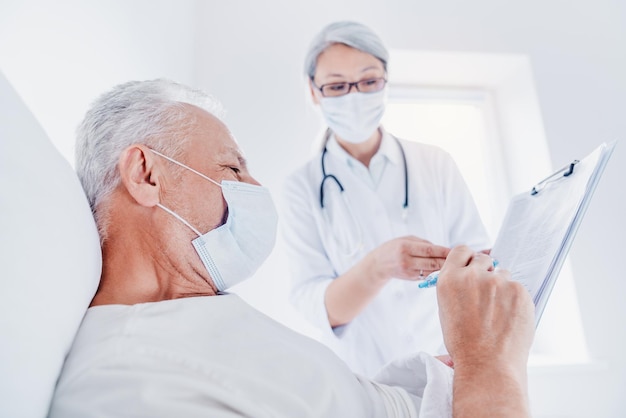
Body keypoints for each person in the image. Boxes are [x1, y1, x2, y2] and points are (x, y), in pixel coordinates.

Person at [48, 79, 534, 418]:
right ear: (147, 175)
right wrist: (489, 362)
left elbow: (332, 400)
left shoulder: (198, 319)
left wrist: (455, 372)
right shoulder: (131, 384)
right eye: (233, 169)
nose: (255, 188)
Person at [281, 20, 492, 377]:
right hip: (362, 379)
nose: (354, 96)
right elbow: (318, 306)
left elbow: (480, 262)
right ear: (313, 91)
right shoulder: (301, 186)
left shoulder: (434, 163)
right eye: (336, 86)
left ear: (386, 81)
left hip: (447, 367)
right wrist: (380, 265)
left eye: (368, 81)